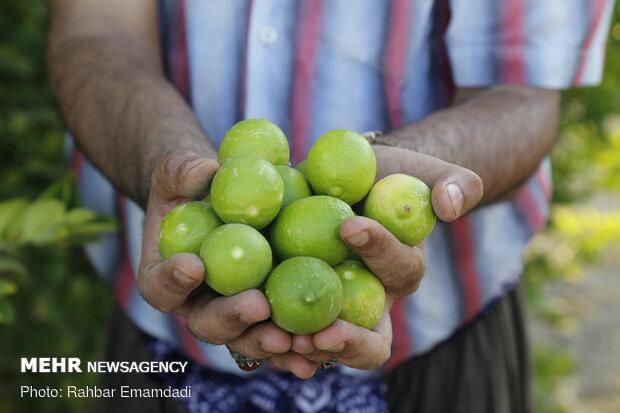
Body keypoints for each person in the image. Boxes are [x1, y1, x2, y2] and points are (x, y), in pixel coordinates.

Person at [47, 0, 615, 412]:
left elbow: (519, 92)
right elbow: (94, 32)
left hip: (436, 336)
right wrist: (166, 165)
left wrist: (399, 164)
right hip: (162, 335)